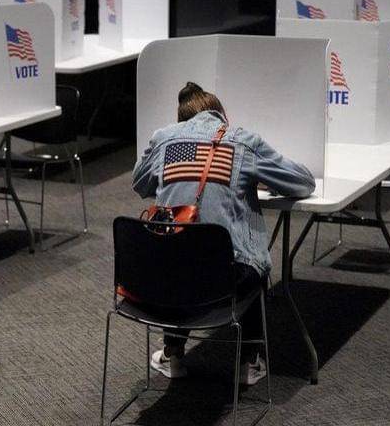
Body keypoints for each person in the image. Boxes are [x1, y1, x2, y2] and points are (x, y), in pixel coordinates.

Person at [132, 82, 316, 383]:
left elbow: (140, 183)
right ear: (220, 115)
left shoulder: (164, 139)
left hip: (161, 284)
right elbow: (303, 183)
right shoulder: (242, 141)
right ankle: (249, 362)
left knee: (178, 249)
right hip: (226, 282)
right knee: (247, 257)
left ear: (182, 119)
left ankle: (173, 353)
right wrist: (258, 180)